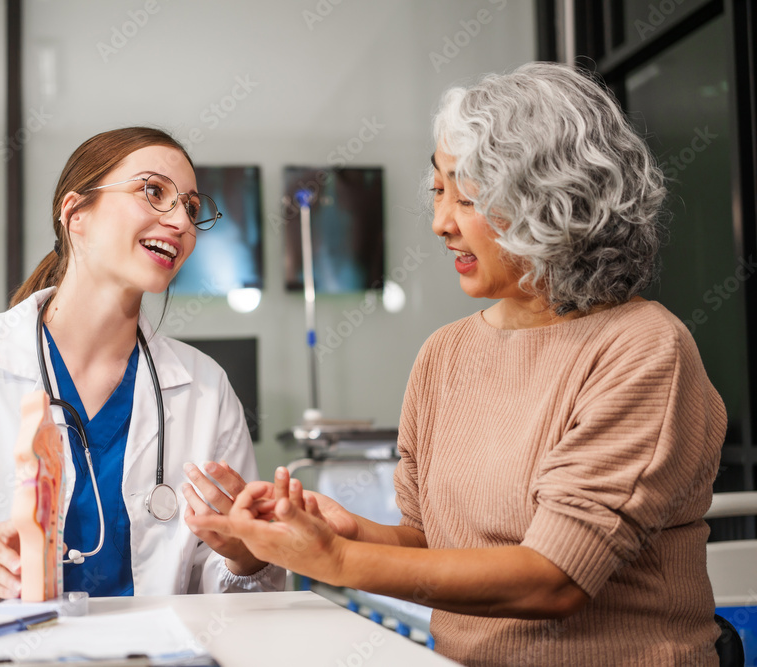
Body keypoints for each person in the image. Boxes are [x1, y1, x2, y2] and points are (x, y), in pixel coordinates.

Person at [189, 63, 727, 665]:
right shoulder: (445, 354)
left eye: (468, 196)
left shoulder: (642, 349)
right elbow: (429, 542)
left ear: (553, 205)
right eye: (438, 190)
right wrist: (343, 532)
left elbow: (555, 578)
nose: (442, 222)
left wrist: (336, 562)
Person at [0, 127, 283, 605]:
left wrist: (246, 557)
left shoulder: (205, 387)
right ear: (75, 213)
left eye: (189, 206)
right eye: (154, 191)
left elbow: (244, 599)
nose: (181, 222)